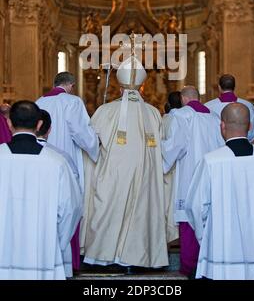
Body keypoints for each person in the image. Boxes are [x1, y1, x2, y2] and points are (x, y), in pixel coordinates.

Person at [82, 55, 168, 269]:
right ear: (142, 88)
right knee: (140, 211)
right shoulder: (153, 113)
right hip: (145, 176)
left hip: (113, 175)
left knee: (109, 207)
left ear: (119, 88)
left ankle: (104, 256)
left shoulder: (105, 110)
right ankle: (139, 257)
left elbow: (91, 143)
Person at [0, 101, 82, 280]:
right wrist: (55, 243)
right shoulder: (57, 162)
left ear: (9, 123)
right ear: (38, 124)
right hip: (43, 256)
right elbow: (72, 210)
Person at [185, 102, 254, 280]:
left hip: (223, 249)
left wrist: (205, 236)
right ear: (250, 126)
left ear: (222, 126)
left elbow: (195, 207)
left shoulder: (211, 161)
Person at [36, 71, 99, 270]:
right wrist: (95, 143)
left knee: (46, 209)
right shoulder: (72, 102)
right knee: (69, 209)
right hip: (66, 161)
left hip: (42, 161)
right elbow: (81, 131)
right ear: (71, 85)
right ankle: (68, 262)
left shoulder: (38, 102)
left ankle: (46, 259)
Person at [161, 86, 224, 278]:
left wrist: (159, 149)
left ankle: (190, 265)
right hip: (212, 171)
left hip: (190, 172)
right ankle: (210, 264)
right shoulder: (214, 116)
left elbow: (176, 146)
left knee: (189, 218)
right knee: (209, 218)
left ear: (183, 98)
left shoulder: (181, 115)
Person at [205, 74, 254, 142]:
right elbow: (253, 131)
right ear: (234, 87)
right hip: (240, 147)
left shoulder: (208, 106)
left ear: (219, 87)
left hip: (214, 147)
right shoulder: (247, 105)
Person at [162, 91, 182, 244]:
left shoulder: (164, 118)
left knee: (166, 201)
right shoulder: (180, 118)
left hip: (165, 166)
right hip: (176, 166)